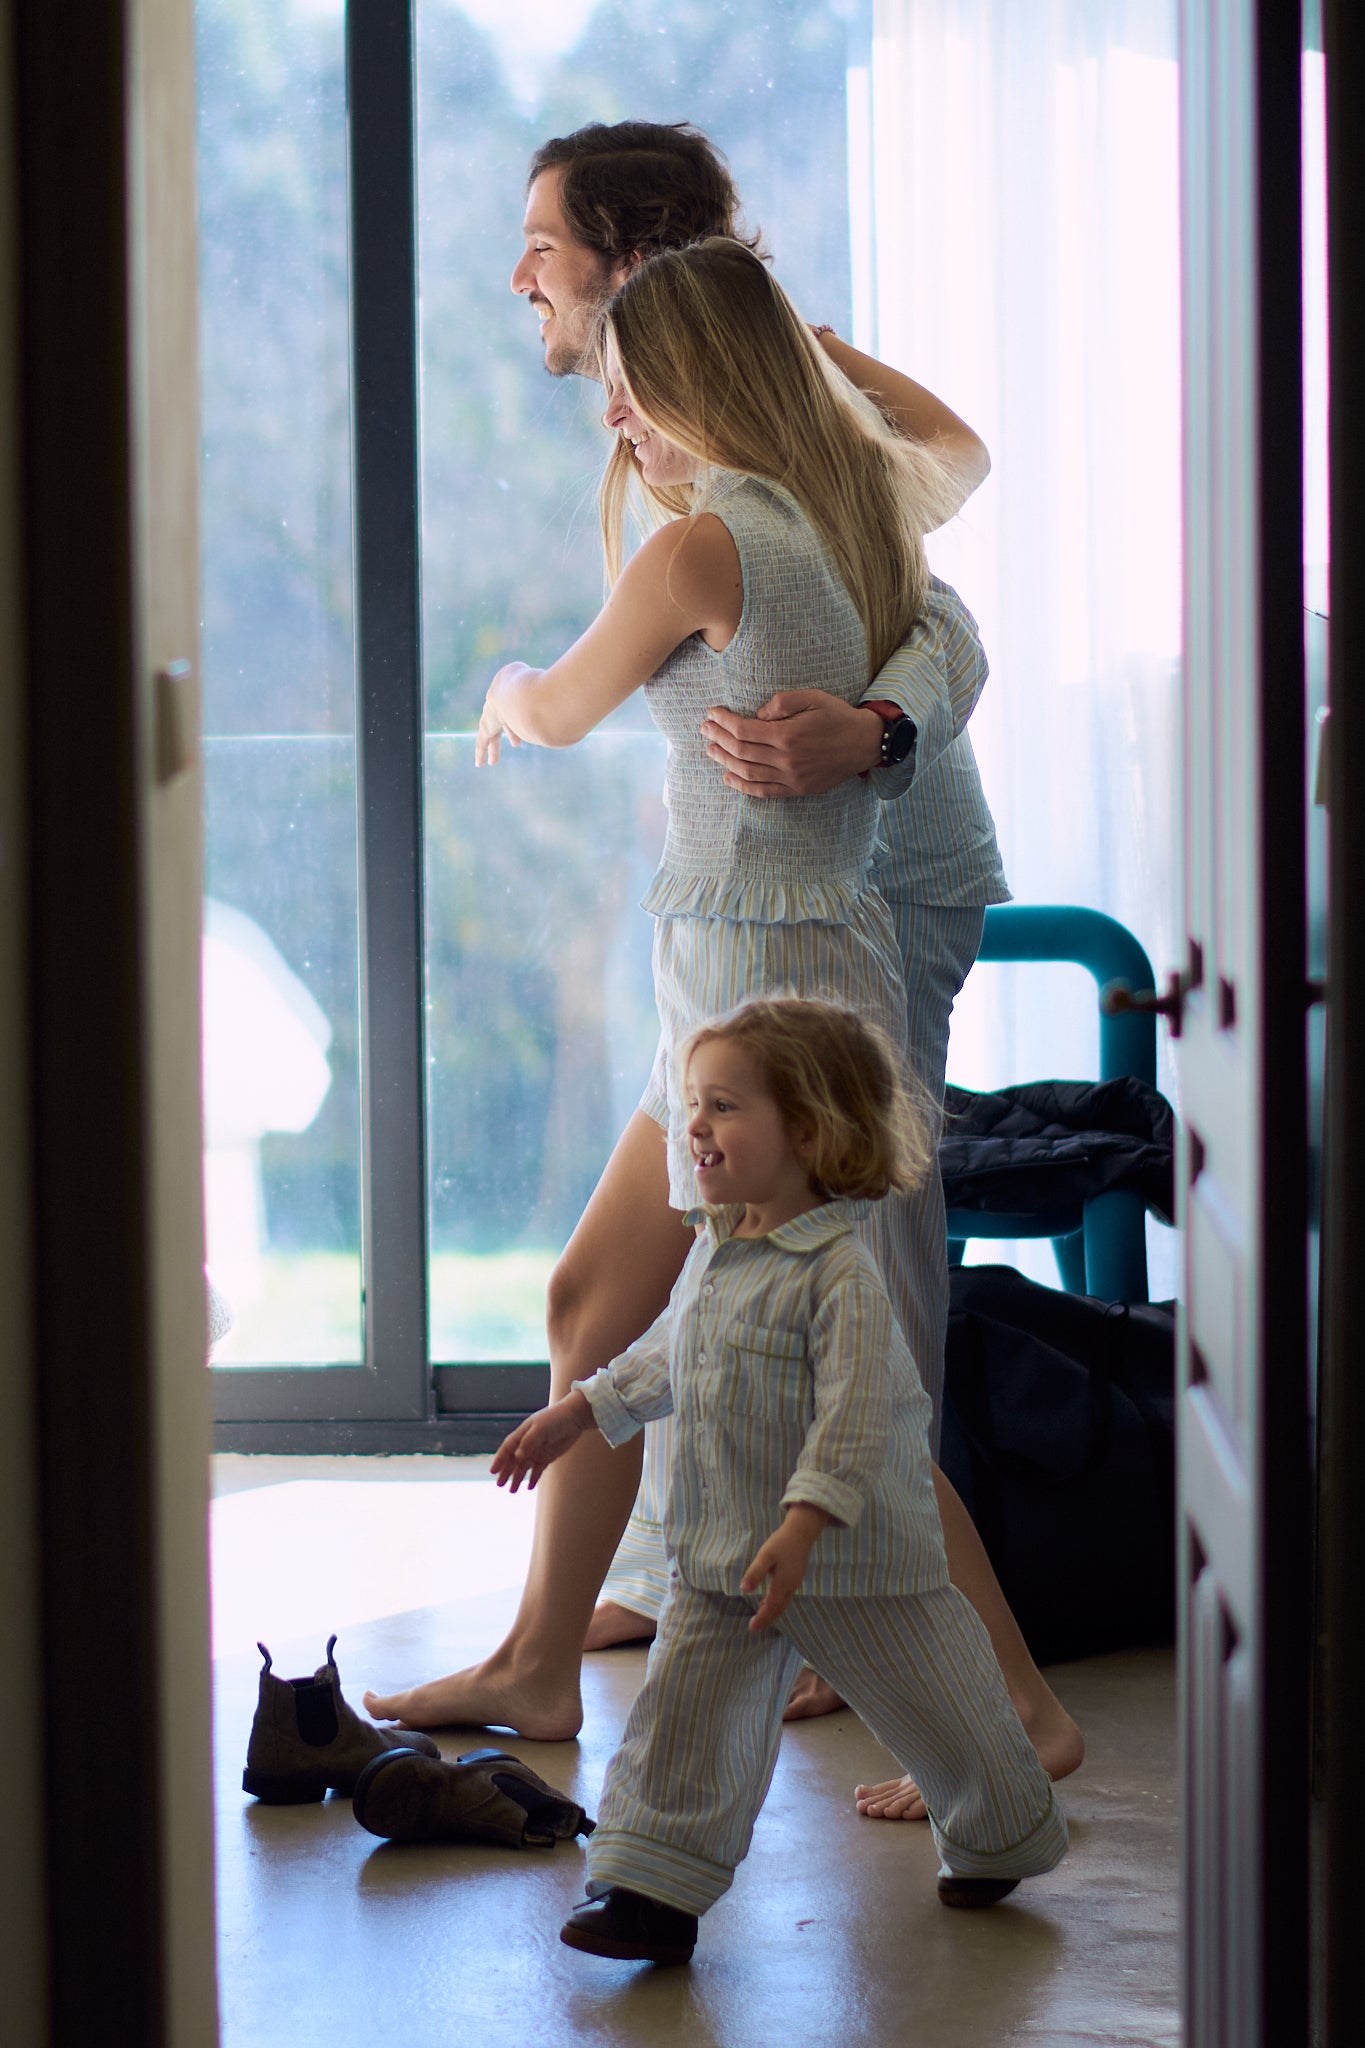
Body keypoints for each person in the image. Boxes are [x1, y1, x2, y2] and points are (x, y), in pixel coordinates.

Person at [366, 125, 1083, 1817]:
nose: (518, 276)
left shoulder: (762, 387)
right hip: (740, 944)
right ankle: (552, 1653)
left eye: (539, 242)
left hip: (854, 911)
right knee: (598, 1297)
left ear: (629, 259)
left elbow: (945, 548)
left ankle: (1000, 1696)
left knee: (854, 1346)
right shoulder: (671, 437)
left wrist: (874, 723)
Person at [491, 999, 1068, 1965]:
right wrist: (577, 1412)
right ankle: (650, 1892)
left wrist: (805, 1523)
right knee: (683, 1720)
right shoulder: (721, 1251)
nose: (695, 1128)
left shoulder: (838, 1277)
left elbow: (854, 1417)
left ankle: (998, 1828)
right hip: (725, 1561)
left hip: (854, 1562)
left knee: (944, 1706)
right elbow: (667, 1356)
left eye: (723, 1106)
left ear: (808, 1132)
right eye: (691, 1105)